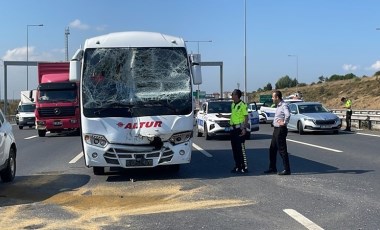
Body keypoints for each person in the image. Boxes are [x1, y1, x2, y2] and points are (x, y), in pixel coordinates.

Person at [264, 90, 291, 175]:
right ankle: (272, 168)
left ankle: (287, 169)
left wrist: (284, 122)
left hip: (280, 129)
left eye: (273, 97)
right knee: (272, 149)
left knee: (282, 150)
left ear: (277, 97)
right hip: (276, 129)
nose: (272, 98)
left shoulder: (283, 105)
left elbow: (288, 114)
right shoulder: (278, 106)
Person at [230, 89, 249, 174]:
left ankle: (244, 167)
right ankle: (237, 165)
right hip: (233, 129)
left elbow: (246, 117)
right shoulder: (233, 104)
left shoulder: (243, 105)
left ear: (237, 95)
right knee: (235, 149)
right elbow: (233, 116)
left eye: (232, 94)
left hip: (239, 129)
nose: (231, 96)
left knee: (241, 149)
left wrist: (244, 128)